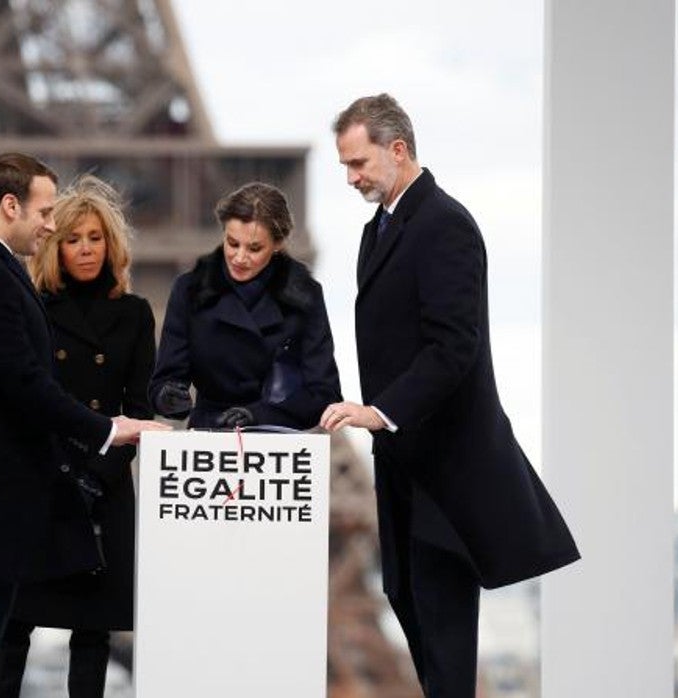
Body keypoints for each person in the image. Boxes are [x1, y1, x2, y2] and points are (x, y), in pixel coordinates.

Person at [320, 94, 580, 697]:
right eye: (345, 167)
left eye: (358, 163)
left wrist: (379, 413)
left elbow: (454, 346)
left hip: (443, 475)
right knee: (415, 615)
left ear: (398, 149)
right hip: (406, 467)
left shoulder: (444, 224)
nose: (351, 178)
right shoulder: (379, 231)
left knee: (443, 636)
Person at [0, 153, 168, 698]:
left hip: (4, 490)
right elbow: (24, 383)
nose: (49, 224)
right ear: (9, 205)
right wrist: (109, 429)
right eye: (43, 212)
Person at [0, 175, 154, 698]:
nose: (85, 249)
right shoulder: (31, 306)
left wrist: (102, 470)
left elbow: (139, 407)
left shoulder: (134, 315)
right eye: (72, 239)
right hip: (45, 483)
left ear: (111, 243)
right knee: (14, 623)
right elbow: (27, 397)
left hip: (103, 486)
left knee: (94, 630)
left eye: (95, 238)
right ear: (54, 245)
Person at [148, 181, 342, 430]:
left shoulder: (306, 297)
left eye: (254, 248)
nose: (239, 258)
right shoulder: (188, 290)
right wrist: (167, 397)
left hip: (276, 441)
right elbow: (165, 379)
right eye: (232, 243)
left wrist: (260, 416)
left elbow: (324, 393)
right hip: (208, 440)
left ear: (278, 244)